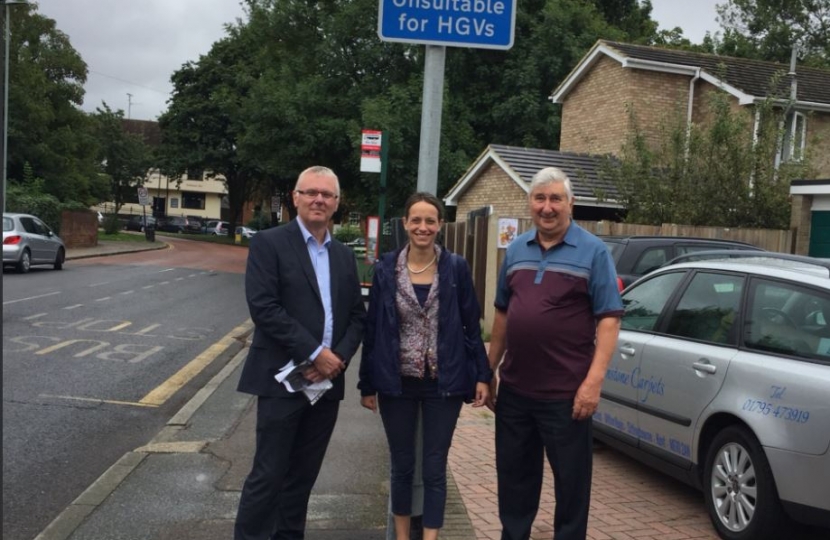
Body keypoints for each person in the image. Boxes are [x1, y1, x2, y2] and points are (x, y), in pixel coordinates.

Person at [486, 167, 623, 540]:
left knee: (572, 487)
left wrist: (593, 383)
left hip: (567, 396)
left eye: (555, 199)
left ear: (570, 203)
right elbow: (502, 313)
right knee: (514, 482)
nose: (547, 208)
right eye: (540, 199)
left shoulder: (594, 252)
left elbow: (609, 321)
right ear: (530, 203)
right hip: (515, 393)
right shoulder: (515, 249)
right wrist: (488, 371)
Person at [234, 166, 366, 540]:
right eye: (310, 192)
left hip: (325, 386)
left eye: (327, 194)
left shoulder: (343, 255)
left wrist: (335, 360)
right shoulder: (269, 243)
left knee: (302, 479)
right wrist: (314, 353)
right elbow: (264, 307)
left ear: (337, 203)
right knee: (268, 475)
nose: (318, 199)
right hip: (282, 380)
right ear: (295, 197)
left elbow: (357, 316)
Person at [359, 192, 492, 540]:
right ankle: (403, 536)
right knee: (402, 466)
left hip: (443, 383)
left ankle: (430, 537)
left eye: (429, 221)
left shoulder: (456, 268)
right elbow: (373, 328)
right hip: (396, 383)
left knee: (434, 468)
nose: (423, 227)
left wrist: (482, 374)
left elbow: (470, 325)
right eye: (415, 220)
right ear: (405, 224)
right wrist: (366, 383)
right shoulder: (386, 268)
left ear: (440, 225)